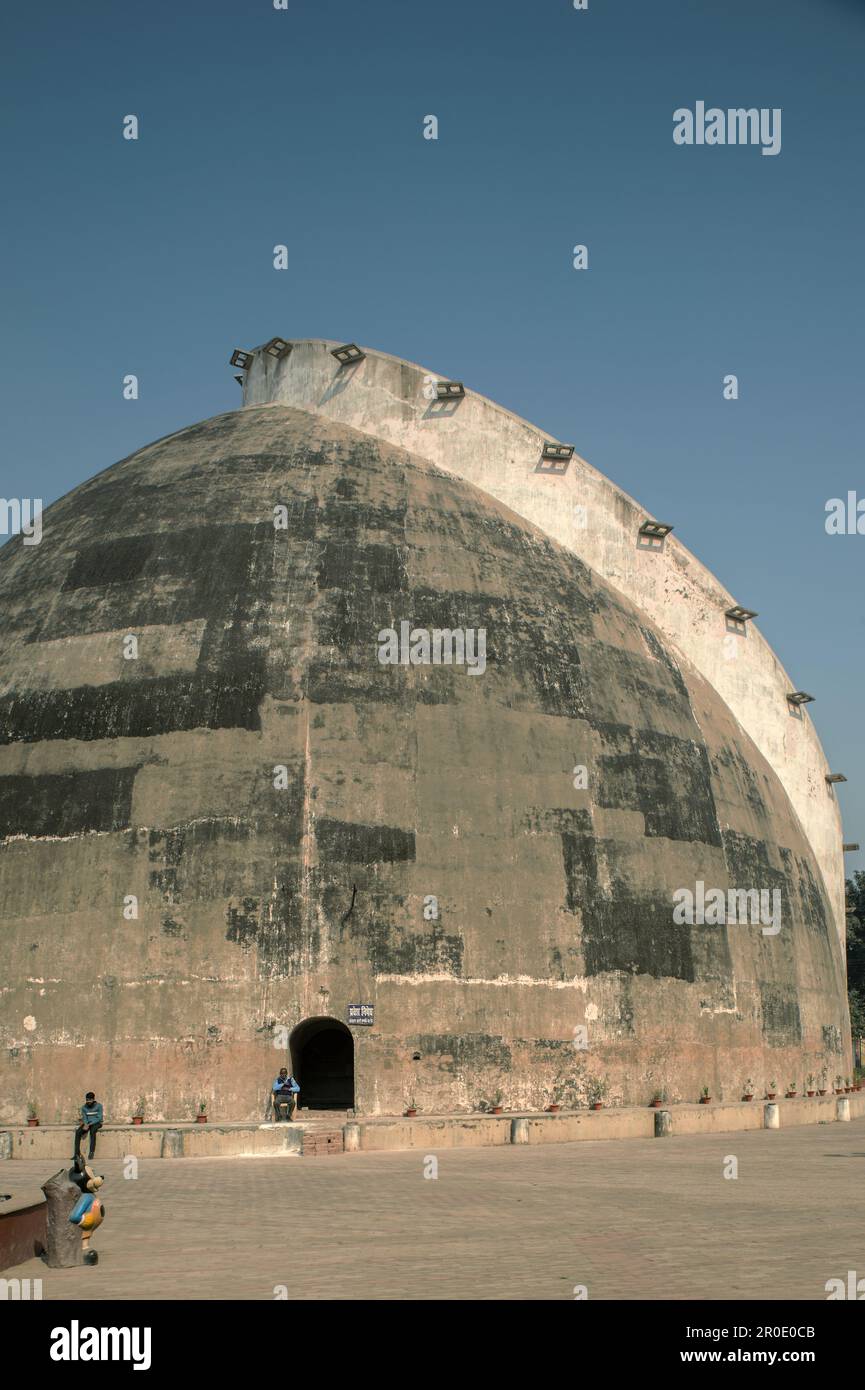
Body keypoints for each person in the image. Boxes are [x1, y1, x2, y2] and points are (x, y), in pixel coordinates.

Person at [74, 1091, 104, 1161]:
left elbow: (99, 1118)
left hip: (97, 1123)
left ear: (93, 1099)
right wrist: (85, 1124)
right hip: (87, 1123)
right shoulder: (84, 1107)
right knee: (78, 1132)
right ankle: (77, 1154)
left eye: (90, 1100)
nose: (88, 1101)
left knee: (93, 1131)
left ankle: (91, 1152)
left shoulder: (99, 1106)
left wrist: (89, 1124)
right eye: (87, 1100)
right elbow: (85, 1118)